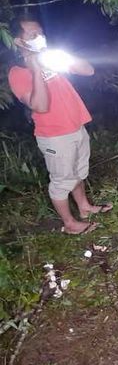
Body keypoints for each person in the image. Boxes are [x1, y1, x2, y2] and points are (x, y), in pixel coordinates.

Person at [8, 16, 111, 234]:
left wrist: (55, 55)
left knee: (78, 172)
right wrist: (36, 69)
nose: (40, 37)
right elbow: (41, 106)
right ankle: (70, 223)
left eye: (41, 33)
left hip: (75, 125)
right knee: (61, 181)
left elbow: (88, 70)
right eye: (33, 35)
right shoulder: (17, 73)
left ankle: (84, 208)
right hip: (55, 135)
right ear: (18, 41)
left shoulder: (51, 59)